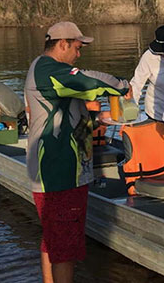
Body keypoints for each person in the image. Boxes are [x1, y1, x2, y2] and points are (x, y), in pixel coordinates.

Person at [24, 21, 130, 283]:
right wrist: (124, 86)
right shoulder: (49, 70)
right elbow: (91, 82)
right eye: (77, 48)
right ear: (62, 44)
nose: (78, 54)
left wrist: (100, 119)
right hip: (59, 172)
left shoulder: (49, 73)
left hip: (59, 170)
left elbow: (69, 119)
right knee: (65, 249)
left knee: (54, 239)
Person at [129, 24, 164, 169]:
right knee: (159, 156)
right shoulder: (148, 57)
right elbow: (136, 85)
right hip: (156, 112)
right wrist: (129, 115)